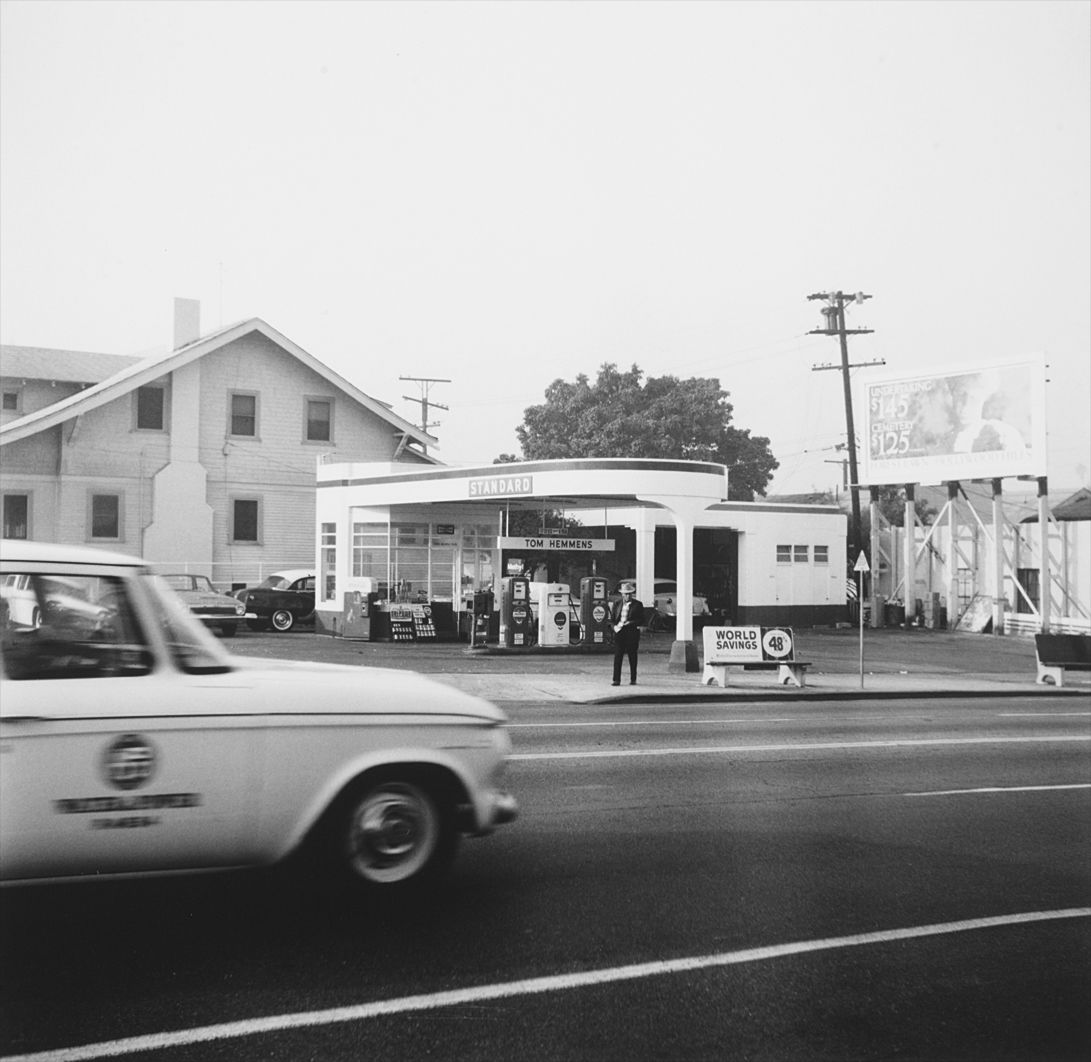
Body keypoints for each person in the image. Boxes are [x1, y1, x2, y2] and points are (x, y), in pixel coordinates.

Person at [610, 580, 645, 686]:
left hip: (631, 632)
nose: (627, 596)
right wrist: (614, 628)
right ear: (622, 594)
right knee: (618, 656)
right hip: (619, 631)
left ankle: (633, 678)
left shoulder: (638, 604)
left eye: (629, 594)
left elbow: (642, 620)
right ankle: (616, 679)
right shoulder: (617, 603)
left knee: (632, 656)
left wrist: (631, 622)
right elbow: (612, 619)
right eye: (625, 594)